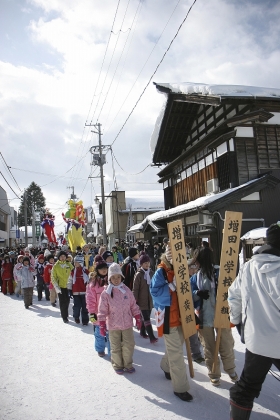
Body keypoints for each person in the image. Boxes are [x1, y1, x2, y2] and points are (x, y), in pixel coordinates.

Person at [228, 222, 280, 420]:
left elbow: (233, 296)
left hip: (256, 340)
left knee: (247, 386)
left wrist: (239, 323)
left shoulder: (249, 267)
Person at [190, 247, 237, 387]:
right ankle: (214, 373)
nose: (196, 263)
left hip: (221, 313)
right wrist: (197, 293)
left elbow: (232, 289)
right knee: (209, 346)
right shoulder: (196, 277)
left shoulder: (221, 272)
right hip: (204, 316)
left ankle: (230, 369)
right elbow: (189, 295)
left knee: (226, 342)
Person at [150, 251, 193, 402]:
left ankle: (165, 365)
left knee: (176, 347)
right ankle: (180, 388)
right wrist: (170, 287)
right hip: (168, 317)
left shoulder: (182, 269)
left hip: (182, 316)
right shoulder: (161, 271)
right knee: (177, 354)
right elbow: (154, 292)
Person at [98, 263, 141, 375]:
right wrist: (102, 324)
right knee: (115, 347)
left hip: (127, 324)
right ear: (109, 278)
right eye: (113, 277)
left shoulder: (126, 290)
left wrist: (137, 317)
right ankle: (118, 365)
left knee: (129, 345)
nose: (116, 280)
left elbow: (133, 305)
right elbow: (102, 310)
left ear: (122, 277)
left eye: (118, 277)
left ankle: (128, 364)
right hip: (113, 325)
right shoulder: (106, 293)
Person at [86, 256, 110, 357]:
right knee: (99, 333)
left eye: (105, 268)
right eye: (101, 269)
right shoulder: (93, 284)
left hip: (110, 313)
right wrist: (91, 313)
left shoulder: (110, 281)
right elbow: (90, 300)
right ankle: (100, 349)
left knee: (111, 335)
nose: (104, 270)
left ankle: (112, 352)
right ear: (97, 270)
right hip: (97, 313)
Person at [132, 252, 157, 343]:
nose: (147, 264)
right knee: (146, 318)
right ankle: (152, 337)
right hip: (141, 300)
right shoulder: (139, 274)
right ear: (141, 264)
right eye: (145, 263)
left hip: (150, 300)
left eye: (148, 263)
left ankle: (142, 331)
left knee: (145, 317)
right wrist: (135, 300)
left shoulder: (151, 273)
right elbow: (135, 289)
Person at [51, 250, 73, 323]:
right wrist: (56, 287)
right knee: (62, 302)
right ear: (58, 257)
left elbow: (73, 273)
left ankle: (66, 313)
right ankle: (64, 316)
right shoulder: (56, 266)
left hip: (68, 286)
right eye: (61, 256)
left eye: (64, 256)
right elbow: (53, 277)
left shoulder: (69, 264)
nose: (63, 258)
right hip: (60, 287)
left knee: (67, 301)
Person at [67, 254, 89, 325]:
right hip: (76, 292)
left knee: (85, 307)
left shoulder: (85, 271)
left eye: (76, 262)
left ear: (81, 263)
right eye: (74, 262)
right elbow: (70, 280)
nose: (75, 264)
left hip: (84, 292)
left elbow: (89, 281)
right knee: (76, 306)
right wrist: (69, 289)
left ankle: (85, 320)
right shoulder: (73, 271)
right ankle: (76, 317)